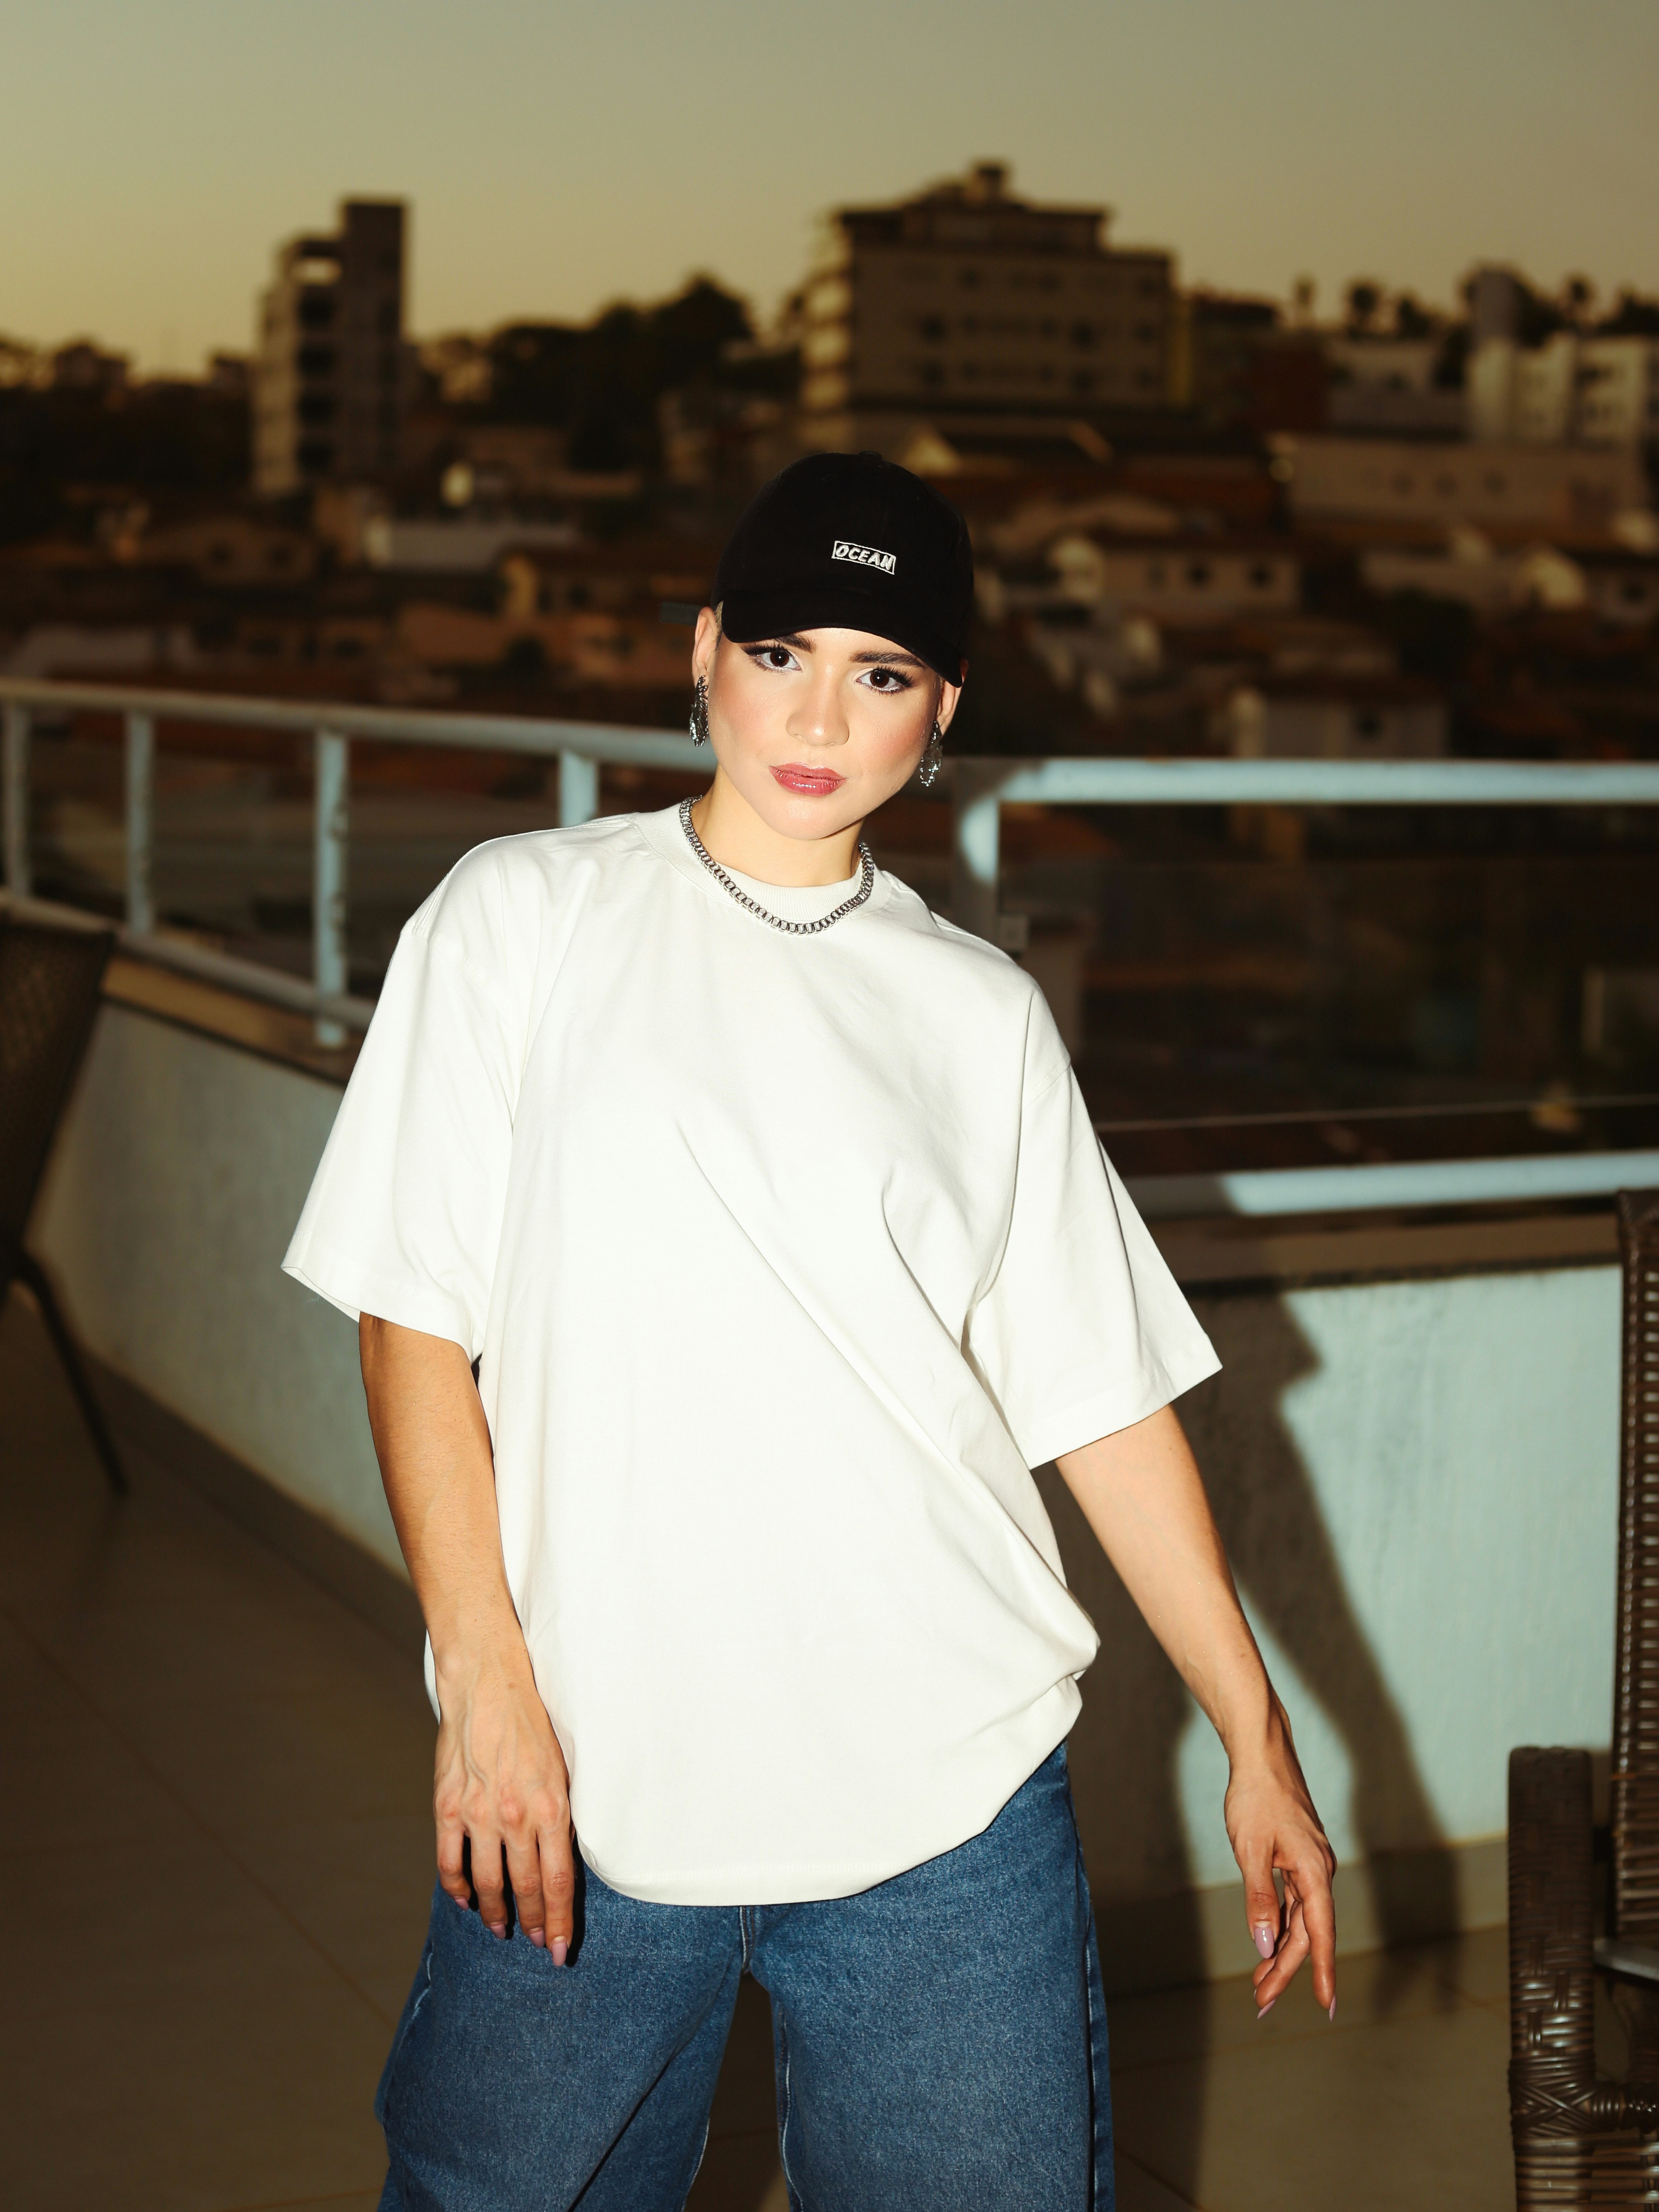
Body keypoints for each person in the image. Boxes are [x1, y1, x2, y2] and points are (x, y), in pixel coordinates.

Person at [284, 451, 1335, 2212]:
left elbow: (1097, 1401)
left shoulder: (981, 1013)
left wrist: (1259, 1732)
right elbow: (415, 1325)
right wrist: (485, 1691)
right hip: (584, 1781)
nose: (818, 714)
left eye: (881, 672)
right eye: (780, 651)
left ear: (941, 715)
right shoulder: (520, 915)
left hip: (949, 1797)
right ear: (700, 653)